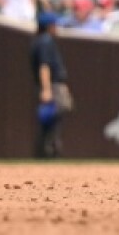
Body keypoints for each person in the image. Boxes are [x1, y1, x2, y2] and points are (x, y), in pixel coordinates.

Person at [30, 12, 72, 158]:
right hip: (53, 86)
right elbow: (44, 66)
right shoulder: (46, 41)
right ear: (49, 26)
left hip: (53, 85)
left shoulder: (40, 40)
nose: (57, 27)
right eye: (54, 24)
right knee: (52, 121)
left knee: (52, 121)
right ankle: (49, 153)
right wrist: (47, 89)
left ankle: (48, 152)